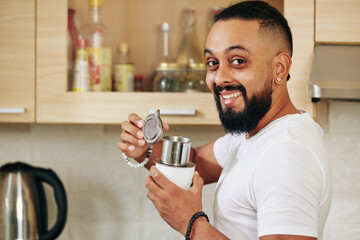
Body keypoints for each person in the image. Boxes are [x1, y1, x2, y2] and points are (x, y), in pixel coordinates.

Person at [117, 1, 332, 239]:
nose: (219, 78)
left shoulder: (286, 153)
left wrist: (191, 224)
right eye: (212, 63)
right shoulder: (256, 132)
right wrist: (145, 149)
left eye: (238, 61)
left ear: (280, 68)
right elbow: (197, 162)